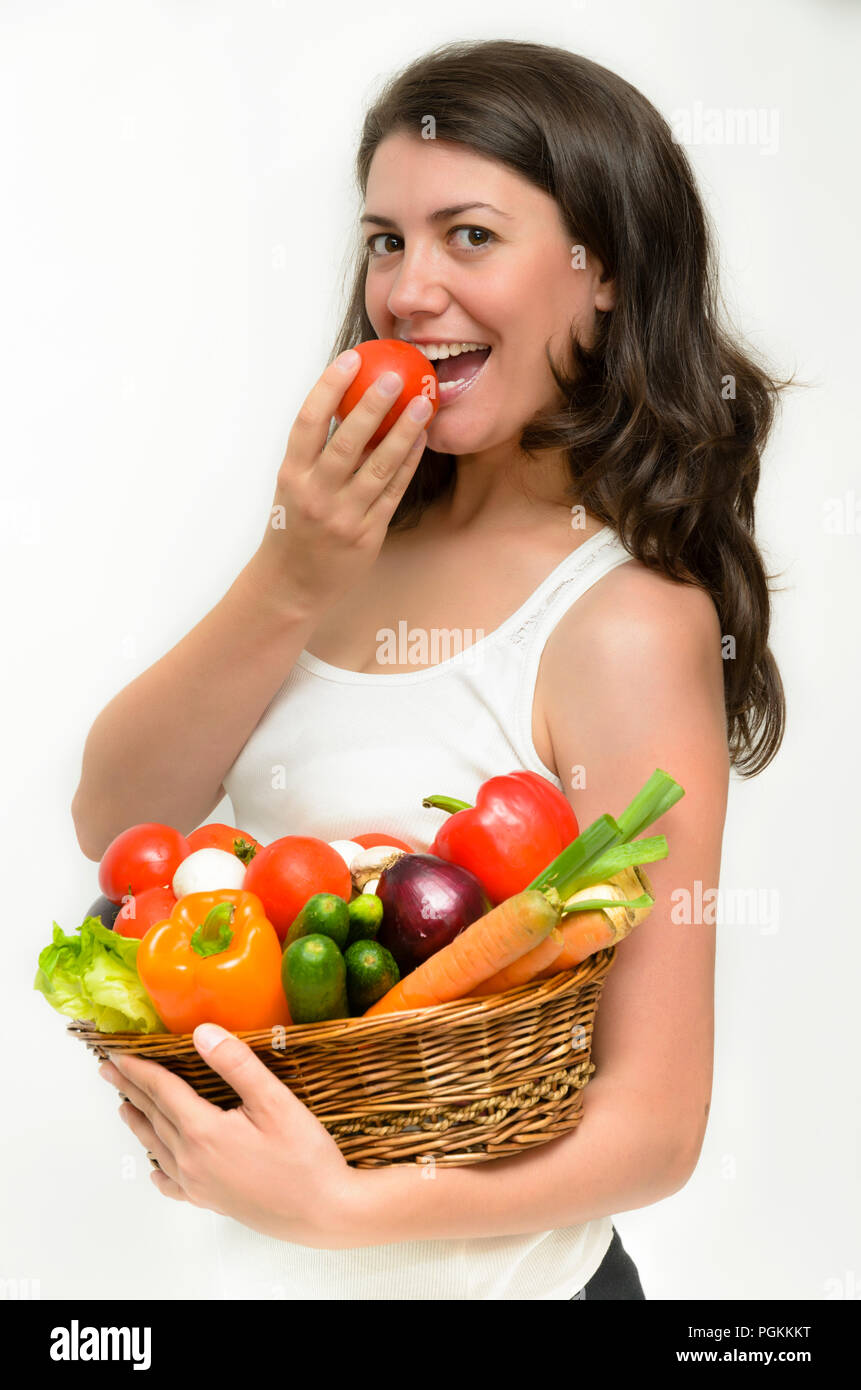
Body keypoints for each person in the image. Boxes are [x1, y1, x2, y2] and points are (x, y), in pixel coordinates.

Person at [76, 39, 790, 1300]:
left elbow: (657, 1124)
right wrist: (290, 574)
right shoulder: (346, 539)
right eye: (386, 241)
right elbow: (114, 815)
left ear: (606, 271)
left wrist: (348, 1211)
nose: (408, 292)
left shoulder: (624, 619)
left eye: (469, 236)